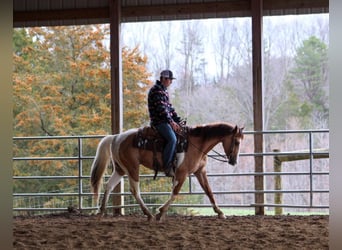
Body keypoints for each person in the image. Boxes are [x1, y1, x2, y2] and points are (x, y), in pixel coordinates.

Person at [148, 70, 182, 177]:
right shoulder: (156, 91)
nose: (171, 82)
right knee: (172, 139)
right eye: (169, 80)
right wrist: (171, 122)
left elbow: (169, 108)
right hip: (159, 122)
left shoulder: (163, 90)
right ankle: (167, 166)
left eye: (171, 80)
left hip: (164, 120)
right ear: (163, 79)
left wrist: (178, 120)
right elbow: (162, 110)